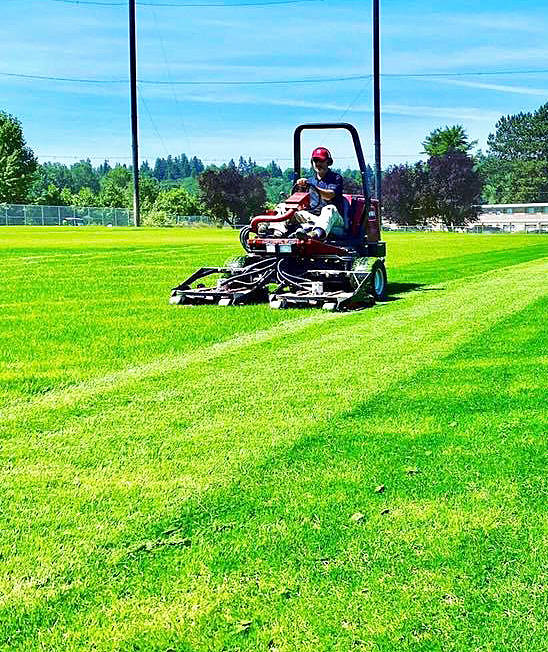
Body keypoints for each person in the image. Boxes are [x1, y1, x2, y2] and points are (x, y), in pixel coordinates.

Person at [259, 147, 345, 240]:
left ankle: (315, 234)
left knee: (329, 208)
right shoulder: (310, 180)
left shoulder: (335, 178)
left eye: (321, 160)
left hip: (334, 219)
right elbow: (298, 201)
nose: (318, 164)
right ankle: (276, 233)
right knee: (283, 206)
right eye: (315, 160)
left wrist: (314, 187)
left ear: (328, 162)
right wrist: (300, 188)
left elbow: (330, 195)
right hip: (312, 216)